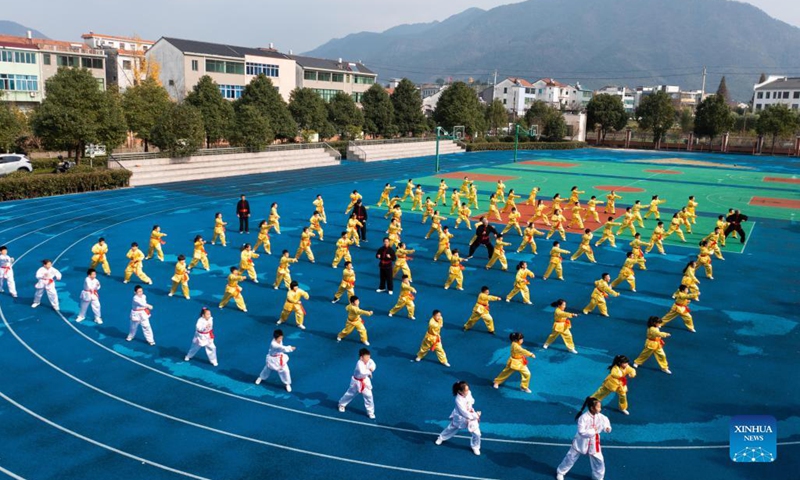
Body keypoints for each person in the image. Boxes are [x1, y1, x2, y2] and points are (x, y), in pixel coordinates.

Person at [555, 396, 612, 480]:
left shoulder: (601, 417)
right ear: (592, 408)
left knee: (599, 461)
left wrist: (607, 428)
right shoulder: (583, 418)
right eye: (598, 407)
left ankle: (598, 477)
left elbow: (606, 422)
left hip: (594, 442)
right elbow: (582, 432)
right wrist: (593, 431)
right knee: (570, 457)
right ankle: (560, 472)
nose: (600, 409)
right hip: (580, 442)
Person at [435, 381, 482, 456]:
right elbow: (463, 412)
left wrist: (470, 405)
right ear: (460, 391)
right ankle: (441, 437)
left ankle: (475, 446)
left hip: (471, 414)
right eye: (466, 390)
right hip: (460, 417)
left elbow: (472, 400)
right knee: (451, 428)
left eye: (468, 389)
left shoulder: (468, 392)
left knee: (477, 433)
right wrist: (476, 415)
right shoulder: (458, 400)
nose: (468, 391)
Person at [338, 348, 377, 419]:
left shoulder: (369, 361)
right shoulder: (359, 363)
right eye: (367, 357)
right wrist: (369, 371)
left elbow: (373, 365)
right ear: (361, 357)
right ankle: (341, 404)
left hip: (365, 381)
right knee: (350, 394)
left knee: (369, 396)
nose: (369, 358)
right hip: (356, 382)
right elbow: (362, 372)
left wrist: (371, 369)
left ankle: (370, 412)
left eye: (369, 356)